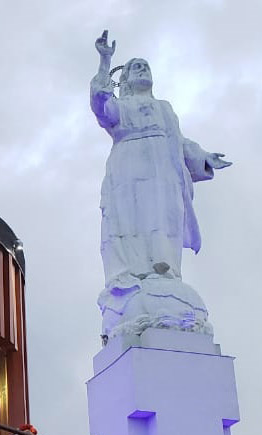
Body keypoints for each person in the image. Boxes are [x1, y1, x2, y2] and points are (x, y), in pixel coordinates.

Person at [91, 30, 230, 335]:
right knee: (132, 221)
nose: (142, 69)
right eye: (134, 67)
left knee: (161, 218)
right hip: (128, 170)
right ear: (124, 80)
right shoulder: (121, 107)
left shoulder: (165, 109)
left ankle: (162, 269)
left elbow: (179, 142)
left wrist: (204, 157)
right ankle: (134, 275)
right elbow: (101, 105)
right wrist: (105, 60)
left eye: (146, 66)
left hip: (163, 173)